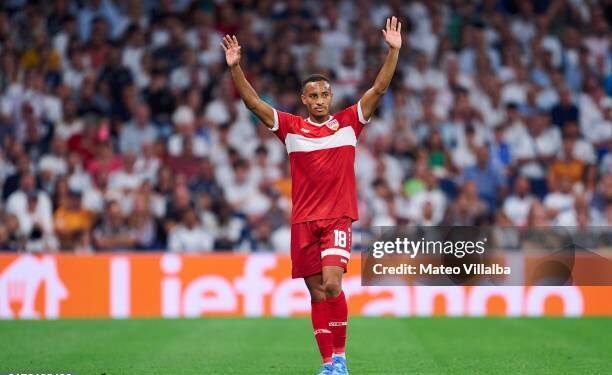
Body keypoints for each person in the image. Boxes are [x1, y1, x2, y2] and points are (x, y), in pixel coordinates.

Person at [221, 16, 402, 375]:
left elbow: (378, 90)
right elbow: (254, 103)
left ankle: (342, 359)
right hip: (303, 221)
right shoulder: (290, 128)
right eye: (314, 96)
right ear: (303, 99)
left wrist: (393, 52)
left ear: (331, 96)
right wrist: (236, 67)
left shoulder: (350, 123)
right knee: (317, 293)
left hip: (336, 217)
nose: (320, 101)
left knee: (333, 283)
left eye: (325, 94)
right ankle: (328, 364)